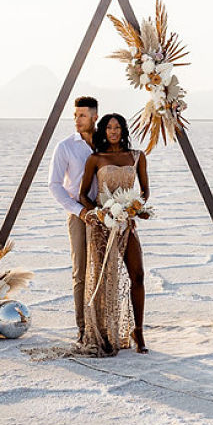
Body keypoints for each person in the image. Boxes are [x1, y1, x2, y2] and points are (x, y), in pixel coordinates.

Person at [78, 113, 149, 355]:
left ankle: (137, 330)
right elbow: (83, 195)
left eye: (117, 127)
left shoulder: (137, 157)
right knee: (103, 281)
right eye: (109, 127)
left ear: (123, 130)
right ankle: (103, 332)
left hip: (127, 224)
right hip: (102, 227)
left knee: (137, 274)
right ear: (103, 131)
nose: (113, 131)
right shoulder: (95, 159)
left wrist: (135, 208)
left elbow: (145, 192)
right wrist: (99, 214)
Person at [48, 96, 98, 343]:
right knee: (80, 271)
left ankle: (104, 322)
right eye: (75, 115)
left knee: (105, 271)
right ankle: (83, 328)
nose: (77, 120)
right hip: (78, 215)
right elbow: (54, 185)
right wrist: (78, 210)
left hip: (106, 215)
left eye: (82, 115)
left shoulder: (106, 143)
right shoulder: (65, 146)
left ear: (94, 117)